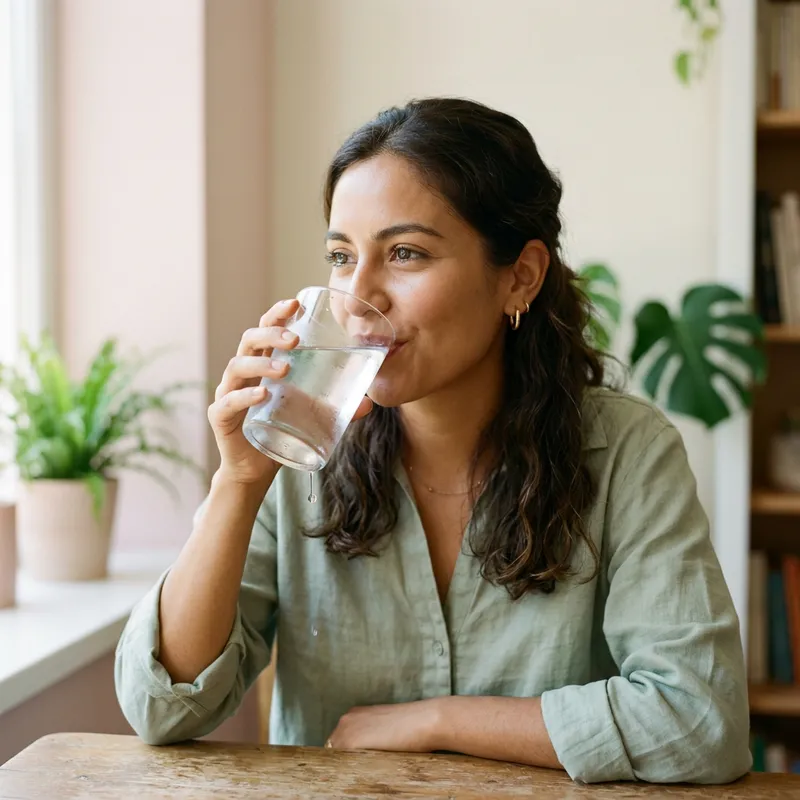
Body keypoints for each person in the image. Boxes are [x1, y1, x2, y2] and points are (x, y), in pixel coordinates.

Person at [115, 98, 751, 784]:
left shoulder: (627, 451)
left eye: (406, 253)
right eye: (340, 256)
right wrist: (237, 482)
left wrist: (437, 720)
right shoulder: (297, 447)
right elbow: (163, 708)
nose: (361, 296)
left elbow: (699, 720)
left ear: (521, 276)